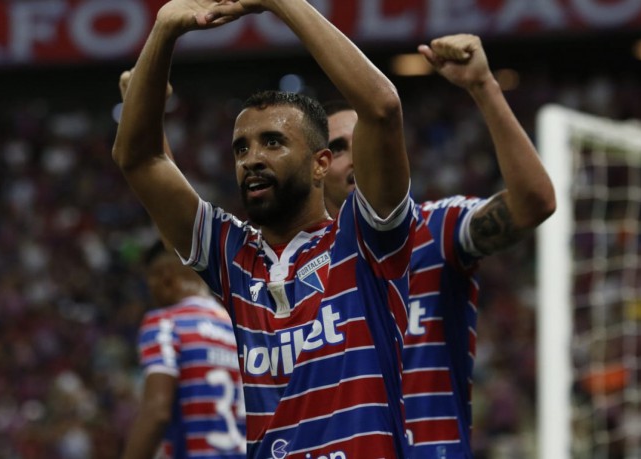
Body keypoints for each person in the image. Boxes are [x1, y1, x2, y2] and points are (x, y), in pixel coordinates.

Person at [112, 0, 415, 457]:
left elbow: (382, 108)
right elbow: (140, 159)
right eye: (240, 148)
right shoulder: (233, 255)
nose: (251, 157)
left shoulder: (365, 240)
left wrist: (282, 3)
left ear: (321, 164)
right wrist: (164, 32)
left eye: (273, 142)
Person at [322, 34, 556, 457]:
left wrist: (483, 85)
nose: (357, 157)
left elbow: (534, 203)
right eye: (338, 148)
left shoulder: (436, 227)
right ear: (316, 168)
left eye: (369, 139)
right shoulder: (299, 267)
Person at [122, 243, 245, 459]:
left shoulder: (166, 324)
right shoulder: (240, 331)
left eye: (150, 279)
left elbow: (157, 411)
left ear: (166, 277)